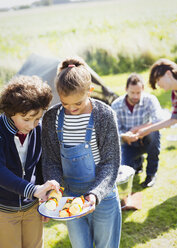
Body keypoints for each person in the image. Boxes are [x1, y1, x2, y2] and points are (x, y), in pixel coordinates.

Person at [41, 57, 122, 248]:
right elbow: (51, 160)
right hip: (70, 196)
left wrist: (94, 194)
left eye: (77, 103)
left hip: (103, 194)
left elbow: (110, 162)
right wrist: (54, 190)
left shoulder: (104, 115)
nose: (71, 108)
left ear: (90, 91)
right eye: (65, 103)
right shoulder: (51, 118)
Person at [0, 75, 60, 248]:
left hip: (32, 209)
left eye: (37, 118)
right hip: (5, 211)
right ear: (10, 112)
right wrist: (33, 190)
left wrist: (45, 196)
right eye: (26, 119)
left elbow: (40, 165)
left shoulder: (37, 130)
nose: (32, 125)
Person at [111, 73, 162, 187]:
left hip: (146, 139)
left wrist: (138, 129)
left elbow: (158, 120)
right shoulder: (116, 105)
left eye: (138, 92)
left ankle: (151, 174)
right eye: (132, 92)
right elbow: (113, 129)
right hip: (127, 142)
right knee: (124, 169)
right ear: (126, 89)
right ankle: (137, 163)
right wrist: (124, 136)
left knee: (154, 132)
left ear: (143, 89)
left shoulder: (150, 100)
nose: (135, 96)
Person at [137, 58, 177, 137]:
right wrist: (147, 130)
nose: (158, 84)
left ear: (168, 74)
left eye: (158, 79)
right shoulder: (174, 94)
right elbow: (174, 119)